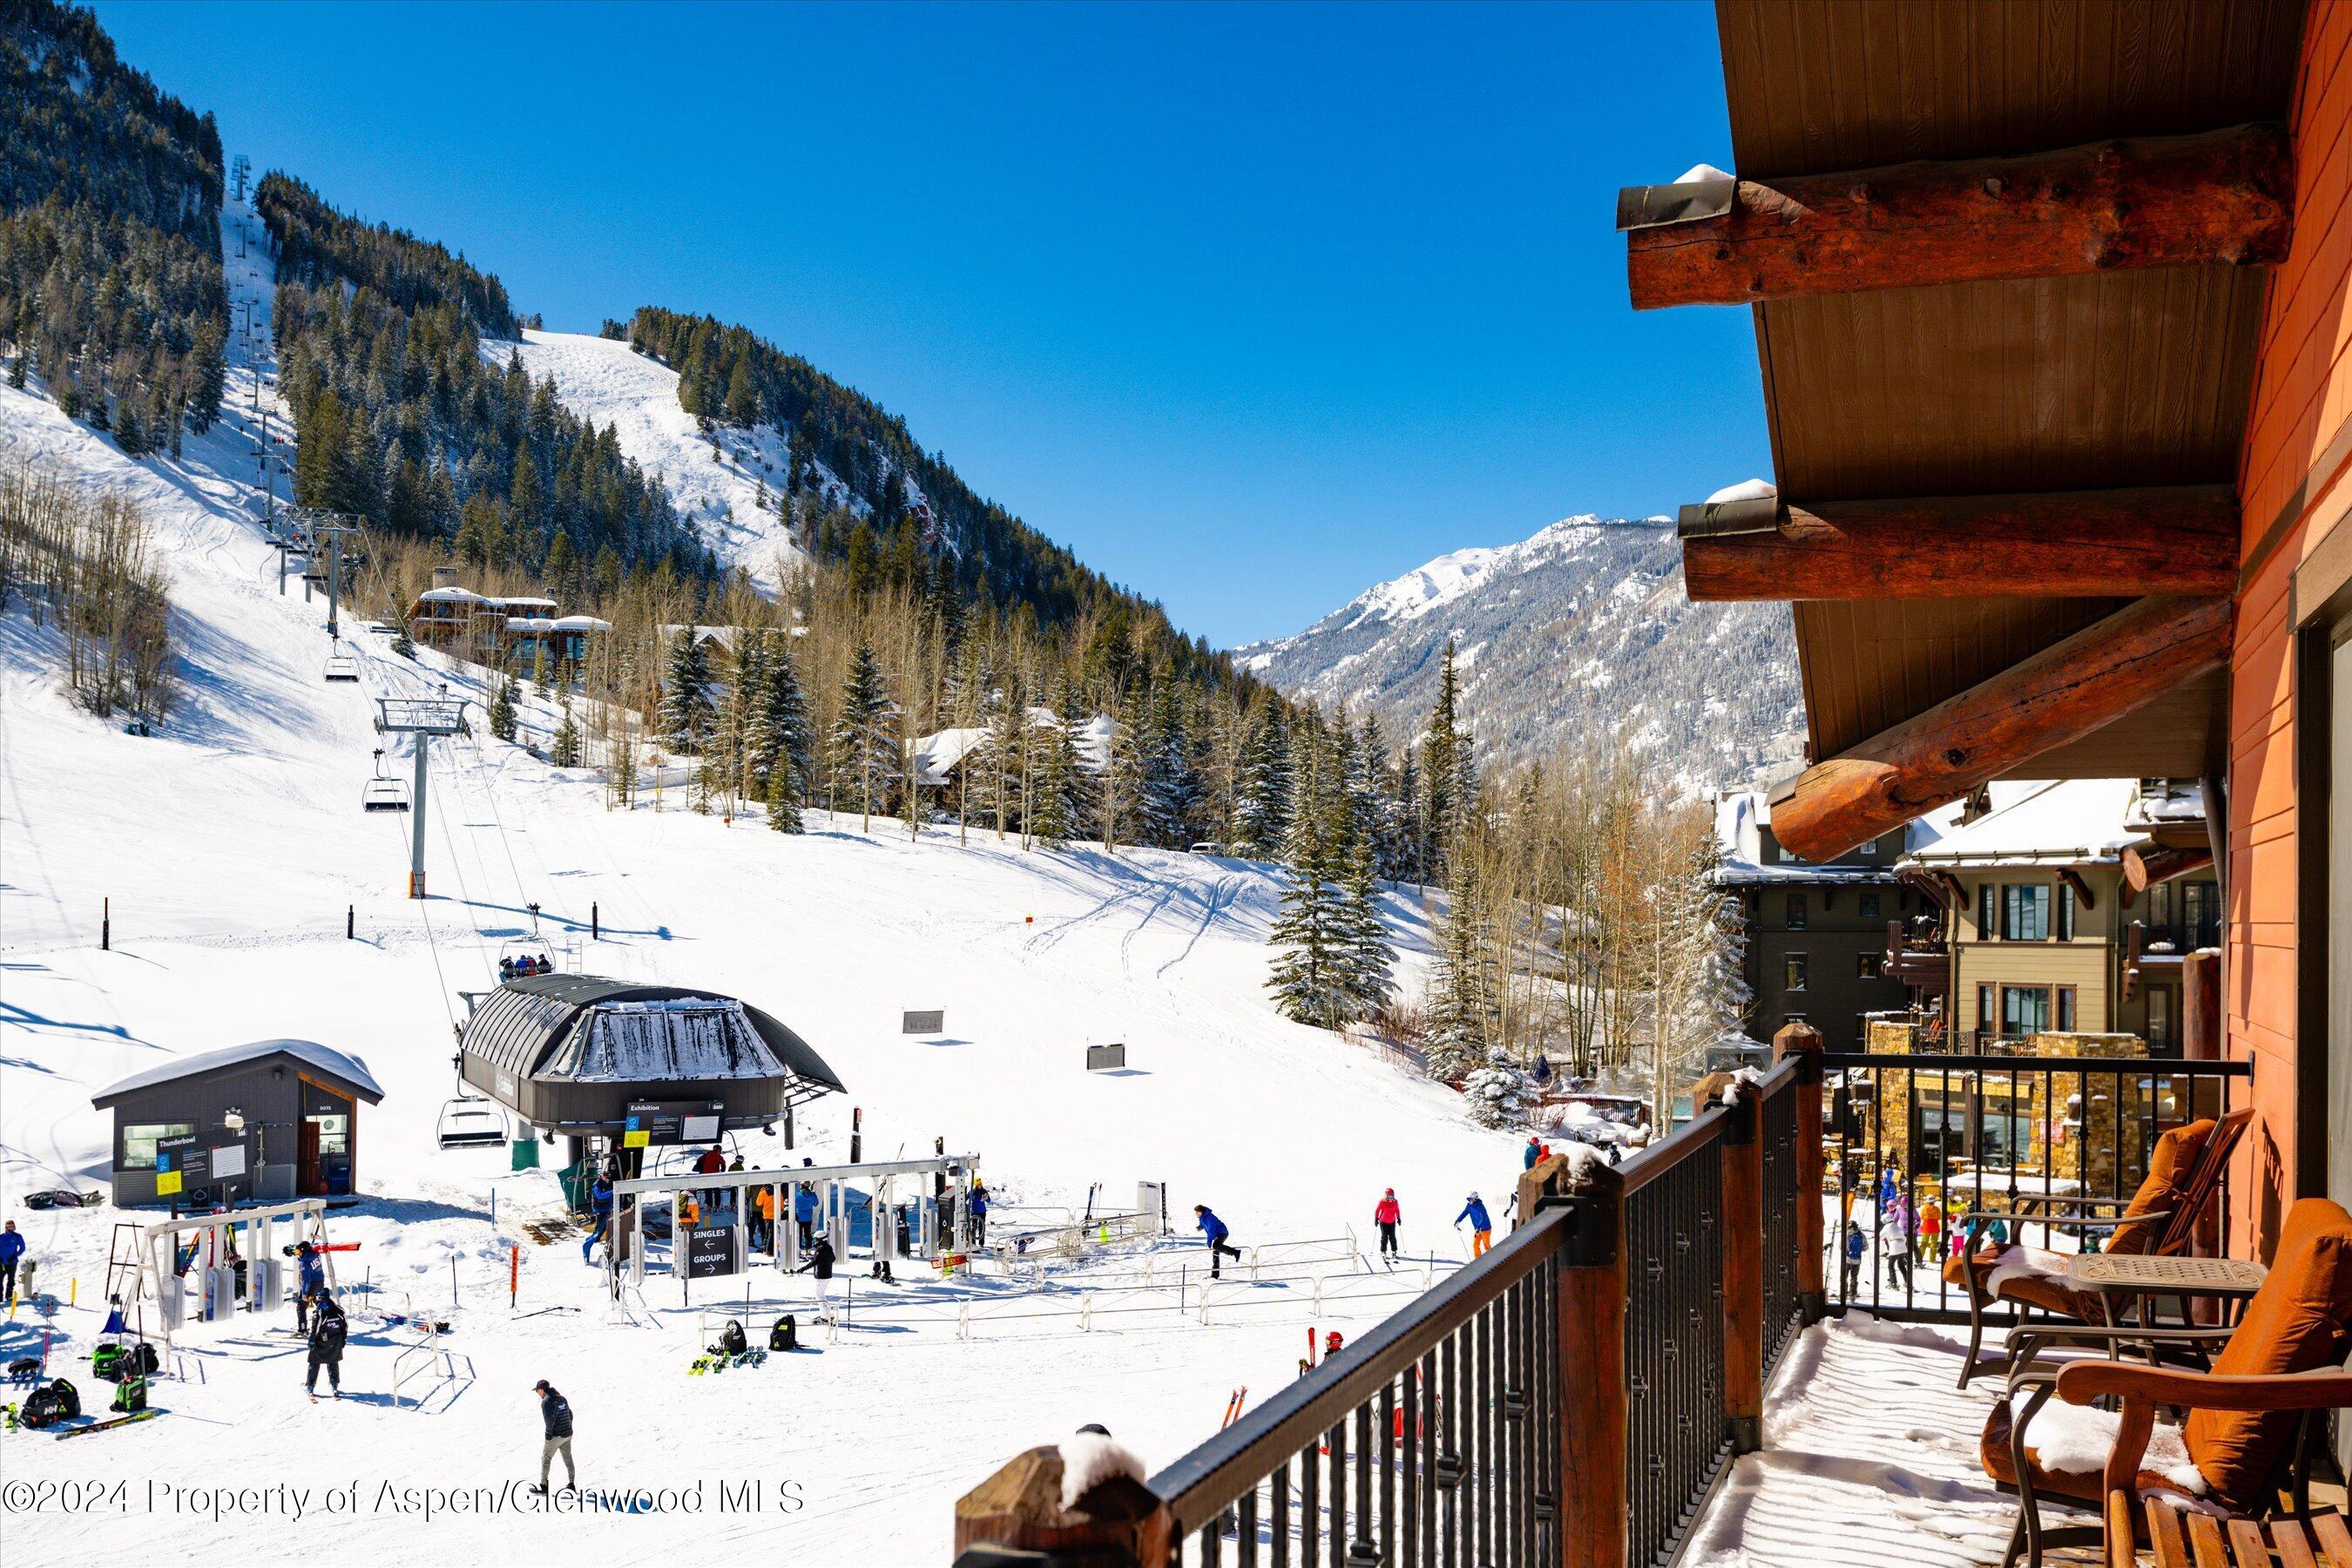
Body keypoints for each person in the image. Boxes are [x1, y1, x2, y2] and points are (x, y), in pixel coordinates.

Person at [531, 1379, 575, 1496]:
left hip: (557, 1435)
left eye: (537, 1391)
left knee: (546, 1458)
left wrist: (548, 1435)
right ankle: (572, 1484)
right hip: (568, 1434)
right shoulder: (562, 1398)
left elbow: (549, 1421)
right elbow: (570, 1414)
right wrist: (567, 1427)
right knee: (568, 1459)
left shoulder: (547, 1401)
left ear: (541, 1389)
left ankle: (544, 1486)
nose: (538, 1393)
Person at [305, 1294, 346, 1400]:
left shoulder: (320, 1313)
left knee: (314, 1363)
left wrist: (311, 1342)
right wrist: (343, 1340)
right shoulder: (339, 1310)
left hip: (321, 1342)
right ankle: (334, 1384)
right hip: (335, 1341)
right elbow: (344, 1326)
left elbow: (315, 1329)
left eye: (318, 1300)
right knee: (333, 1362)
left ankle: (310, 1386)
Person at [1194, 1205, 1241, 1279]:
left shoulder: (1209, 1217)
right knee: (1215, 1253)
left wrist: (1209, 1244)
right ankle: (1215, 1275)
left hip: (1222, 1233)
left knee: (1216, 1246)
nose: (1196, 1214)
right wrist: (1200, 1227)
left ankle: (1235, 1252)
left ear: (1201, 1212)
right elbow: (1203, 1224)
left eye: (1197, 1212)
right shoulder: (1201, 1217)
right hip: (1217, 1234)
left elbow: (1210, 1231)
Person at [796, 1234, 837, 1317]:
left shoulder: (820, 1249)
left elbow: (815, 1262)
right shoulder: (829, 1247)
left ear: (821, 1239)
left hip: (822, 1276)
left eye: (816, 1239)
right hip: (827, 1275)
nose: (815, 1241)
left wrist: (803, 1268)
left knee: (820, 1296)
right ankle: (827, 1315)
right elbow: (833, 1258)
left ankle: (826, 1317)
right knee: (821, 1295)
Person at [294, 1240, 327, 1333]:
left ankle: (302, 1330)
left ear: (304, 1251)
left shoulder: (305, 1264)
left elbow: (306, 1280)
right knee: (320, 1303)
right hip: (320, 1281)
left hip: (311, 1284)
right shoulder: (315, 1254)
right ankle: (327, 1325)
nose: (297, 1254)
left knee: (301, 1306)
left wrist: (305, 1294)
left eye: (298, 1252)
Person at [581, 1173, 613, 1264]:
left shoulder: (608, 1183)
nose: (608, 1180)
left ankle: (596, 1239)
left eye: (609, 1178)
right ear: (603, 1177)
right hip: (600, 1208)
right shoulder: (596, 1185)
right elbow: (600, 1196)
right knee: (599, 1226)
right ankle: (594, 1239)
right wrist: (611, 1192)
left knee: (605, 1225)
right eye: (607, 1178)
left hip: (606, 1207)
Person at [1456, 1193, 1492, 1259]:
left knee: (1486, 1246)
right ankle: (1478, 1261)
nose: (1469, 1201)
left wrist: (1478, 1227)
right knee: (1475, 1245)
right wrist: (1458, 1221)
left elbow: (1483, 1218)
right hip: (1477, 1229)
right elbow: (1464, 1214)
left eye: (1470, 1199)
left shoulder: (1480, 1207)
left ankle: (1492, 1261)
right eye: (1469, 1199)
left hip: (1485, 1229)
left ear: (1475, 1199)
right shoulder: (1469, 1206)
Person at [1372, 1189, 1401, 1258]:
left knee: (1392, 1237)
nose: (1392, 1198)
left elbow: (1397, 1210)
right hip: (1383, 1222)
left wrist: (1398, 1218)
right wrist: (1376, 1219)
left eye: (1393, 1196)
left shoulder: (1395, 1202)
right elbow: (1377, 1210)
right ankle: (1383, 1251)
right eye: (1390, 1196)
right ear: (1386, 1196)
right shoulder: (1382, 1202)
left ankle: (1394, 1251)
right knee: (1384, 1237)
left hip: (1392, 1222)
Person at [1841, 1220, 1865, 1300]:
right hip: (1857, 1260)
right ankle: (1853, 1294)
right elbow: (1866, 1247)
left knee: (1844, 1277)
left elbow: (1841, 1246)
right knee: (1854, 1277)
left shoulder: (1847, 1234)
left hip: (1847, 1259)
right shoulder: (1861, 1235)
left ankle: (1843, 1294)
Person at [0, 1220, 23, 1303]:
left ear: (14, 1227)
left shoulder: (17, 1236)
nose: (10, 1228)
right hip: (2, 1263)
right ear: (6, 1227)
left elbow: (22, 1248)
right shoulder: (1, 1237)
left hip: (12, 1263)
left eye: (11, 1226)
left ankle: (9, 1296)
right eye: (8, 1226)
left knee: (11, 1280)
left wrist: (15, 1256)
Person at [794, 1181, 820, 1253]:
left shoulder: (797, 1194)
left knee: (798, 1234)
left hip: (799, 1217)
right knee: (808, 1234)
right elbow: (816, 1204)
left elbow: (793, 1203)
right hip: (808, 1218)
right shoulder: (813, 1195)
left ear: (802, 1186)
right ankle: (808, 1250)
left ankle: (798, 1249)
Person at [751, 1185, 775, 1254]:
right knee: (772, 1232)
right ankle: (770, 1249)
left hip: (766, 1214)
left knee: (766, 1233)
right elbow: (781, 1204)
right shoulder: (777, 1190)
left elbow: (758, 1203)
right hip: (775, 1215)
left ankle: (766, 1249)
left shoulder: (763, 1192)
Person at [968, 1180, 990, 1246]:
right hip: (974, 1212)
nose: (980, 1186)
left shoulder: (984, 1191)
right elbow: (967, 1197)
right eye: (978, 1185)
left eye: (981, 1184)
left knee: (982, 1227)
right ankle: (973, 1243)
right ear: (976, 1185)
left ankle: (981, 1243)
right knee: (973, 1228)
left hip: (982, 1212)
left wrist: (986, 1198)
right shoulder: (972, 1192)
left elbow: (989, 1200)